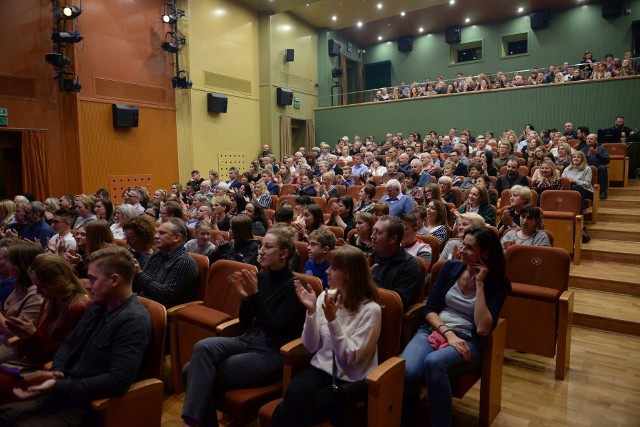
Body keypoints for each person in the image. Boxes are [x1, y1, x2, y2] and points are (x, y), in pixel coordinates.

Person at [0, 247, 151, 426]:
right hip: (66, 391)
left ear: (114, 280)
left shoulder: (132, 321)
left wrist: (57, 384)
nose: (87, 285)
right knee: (4, 414)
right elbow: (69, 345)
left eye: (93, 279)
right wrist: (56, 374)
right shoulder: (97, 306)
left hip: (89, 405)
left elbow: (118, 381)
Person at [181, 227, 306, 427]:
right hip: (246, 340)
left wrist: (254, 296)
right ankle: (192, 421)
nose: (261, 251)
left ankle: (191, 422)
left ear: (284, 253)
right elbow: (246, 322)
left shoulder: (295, 288)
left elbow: (273, 329)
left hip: (269, 354)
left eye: (268, 247)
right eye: (261, 245)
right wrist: (245, 300)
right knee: (202, 347)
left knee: (190, 371)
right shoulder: (262, 277)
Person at [401, 227, 510, 426]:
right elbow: (430, 309)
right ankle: (409, 419)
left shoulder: (497, 283)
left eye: (469, 248)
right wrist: (448, 333)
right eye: (462, 244)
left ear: (484, 253)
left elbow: (484, 329)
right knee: (407, 369)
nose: (461, 250)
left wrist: (479, 284)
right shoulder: (450, 268)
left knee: (434, 363)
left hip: (468, 340)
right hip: (436, 329)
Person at [271, 246, 381, 426]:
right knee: (293, 394)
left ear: (350, 274)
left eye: (334, 268)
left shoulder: (371, 310)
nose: (327, 272)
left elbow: (349, 359)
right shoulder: (325, 296)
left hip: (348, 380)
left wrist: (332, 321)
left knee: (285, 411)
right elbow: (311, 346)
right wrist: (312, 310)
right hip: (320, 369)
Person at [0, 254, 90, 403]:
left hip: (52, 373)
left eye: (42, 286)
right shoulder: (50, 300)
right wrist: (25, 334)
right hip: (32, 363)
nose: (37, 292)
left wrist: (34, 335)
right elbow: (35, 344)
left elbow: (70, 356)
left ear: (57, 282)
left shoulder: (78, 308)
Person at [133, 218, 199, 307]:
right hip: (142, 303)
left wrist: (139, 274)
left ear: (177, 238)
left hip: (160, 312)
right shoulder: (157, 255)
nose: (155, 236)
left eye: (161, 233)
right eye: (157, 232)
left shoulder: (184, 262)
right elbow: (140, 284)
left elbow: (165, 296)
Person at [0, 244, 45, 362]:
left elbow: (16, 333)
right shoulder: (20, 284)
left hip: (16, 348)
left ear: (23, 265)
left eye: (11, 261)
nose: (8, 265)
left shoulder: (36, 295)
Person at [370, 215, 421, 309]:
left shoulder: (410, 265)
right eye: (373, 230)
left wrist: (367, 285)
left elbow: (398, 303)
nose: (372, 236)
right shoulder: (370, 257)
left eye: (378, 232)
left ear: (393, 239)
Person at [579, 133, 610, 199]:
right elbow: (578, 161)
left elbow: (607, 160)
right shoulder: (582, 150)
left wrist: (597, 154)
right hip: (585, 168)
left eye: (591, 139)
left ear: (596, 141)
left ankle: (603, 191)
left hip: (598, 168)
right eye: (587, 139)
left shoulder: (602, 149)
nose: (588, 140)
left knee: (603, 168)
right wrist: (587, 156)